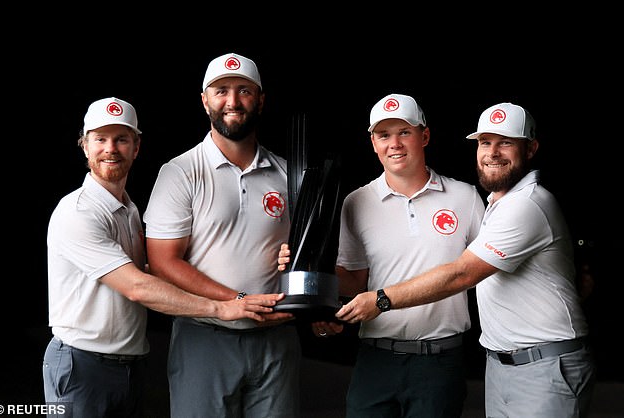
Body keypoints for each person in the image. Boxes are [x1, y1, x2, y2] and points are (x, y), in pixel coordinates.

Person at [335, 102, 596, 417]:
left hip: (537, 363)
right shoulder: (498, 204)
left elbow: (463, 274)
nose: (493, 152)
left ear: (531, 149)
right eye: (486, 142)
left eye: (507, 142)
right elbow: (353, 277)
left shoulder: (522, 204)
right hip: (500, 364)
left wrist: (381, 300)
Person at [43, 97, 284, 418]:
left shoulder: (128, 209)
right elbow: (138, 287)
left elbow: (143, 272)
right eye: (100, 139)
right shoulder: (78, 212)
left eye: (122, 139)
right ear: (84, 146)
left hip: (128, 363)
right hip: (82, 363)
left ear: (136, 147)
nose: (110, 148)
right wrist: (223, 307)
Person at [279, 93, 485, 417]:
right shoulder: (356, 202)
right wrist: (307, 271)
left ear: (425, 136)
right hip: (376, 359)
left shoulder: (465, 197)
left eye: (404, 132)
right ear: (373, 142)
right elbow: (355, 282)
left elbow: (482, 272)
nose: (395, 144)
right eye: (384, 135)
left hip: (440, 360)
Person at [142, 53, 299, 418]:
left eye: (244, 91)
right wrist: (236, 301)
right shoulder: (181, 172)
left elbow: (308, 252)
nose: (232, 101)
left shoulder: (290, 174)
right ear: (204, 100)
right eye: (221, 91)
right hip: (205, 337)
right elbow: (164, 263)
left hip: (276, 340)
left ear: (260, 100)